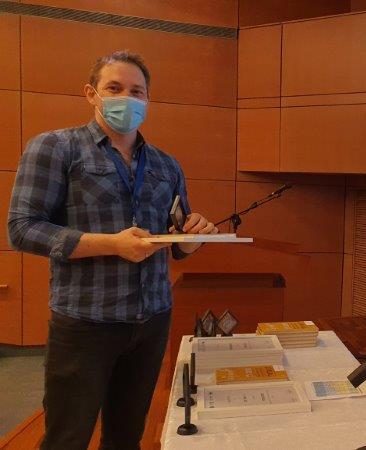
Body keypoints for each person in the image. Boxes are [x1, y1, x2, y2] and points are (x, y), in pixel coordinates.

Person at [7, 50, 218, 449]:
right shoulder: (56, 148)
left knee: (126, 438)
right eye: (115, 88)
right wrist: (111, 245)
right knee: (66, 439)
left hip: (152, 321)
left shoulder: (166, 165)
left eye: (137, 91)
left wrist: (194, 236)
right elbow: (22, 229)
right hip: (85, 323)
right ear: (92, 93)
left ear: (147, 99)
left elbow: (177, 244)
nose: (127, 98)